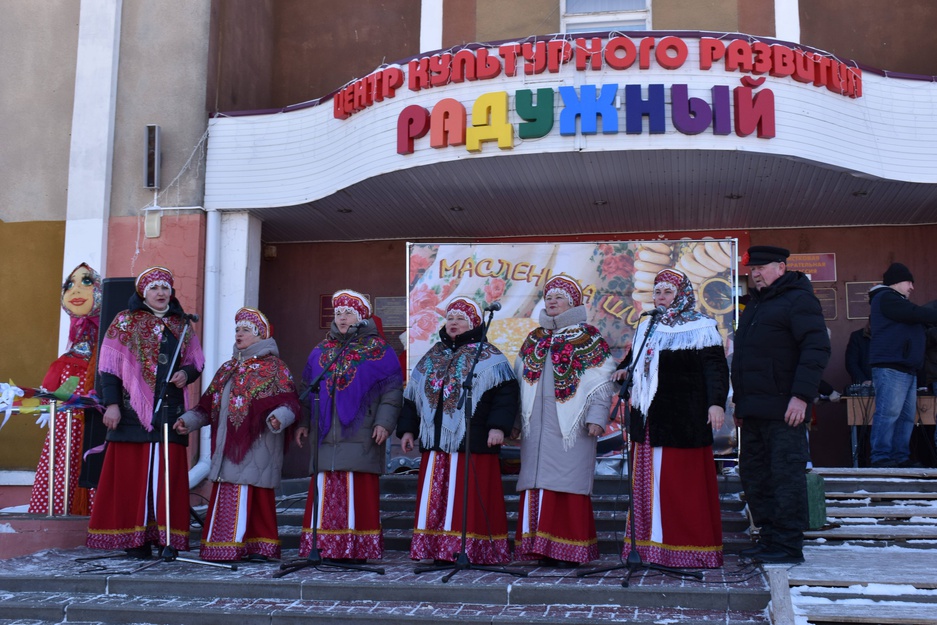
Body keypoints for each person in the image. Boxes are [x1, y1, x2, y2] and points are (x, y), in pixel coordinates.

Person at [86, 266, 204, 558]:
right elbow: (109, 368)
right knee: (132, 477)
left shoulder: (181, 324)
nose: (161, 293)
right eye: (154, 288)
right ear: (143, 292)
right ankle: (134, 540)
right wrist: (112, 404)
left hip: (169, 411)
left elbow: (195, 362)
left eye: (165, 288)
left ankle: (165, 539)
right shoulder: (125, 321)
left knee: (166, 477)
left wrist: (186, 374)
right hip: (130, 413)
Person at [614, 268, 728, 568]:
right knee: (648, 487)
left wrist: (716, 404)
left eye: (667, 292)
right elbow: (635, 360)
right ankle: (649, 550)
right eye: (657, 292)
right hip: (649, 421)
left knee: (680, 487)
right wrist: (623, 370)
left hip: (684, 419)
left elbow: (716, 369)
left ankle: (687, 551)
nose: (661, 297)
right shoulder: (647, 325)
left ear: (682, 295)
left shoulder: (701, 326)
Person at [397, 297, 519, 564]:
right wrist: (407, 430)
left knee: (467, 498)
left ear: (474, 323)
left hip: (472, 442)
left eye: (460, 319)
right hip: (436, 445)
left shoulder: (490, 356)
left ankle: (471, 550)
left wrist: (497, 427)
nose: (453, 323)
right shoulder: (433, 355)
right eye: (450, 318)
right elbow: (412, 398)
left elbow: (506, 397)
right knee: (436, 498)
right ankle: (437, 549)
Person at [174, 308, 300, 562]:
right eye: (237, 329)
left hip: (259, 445)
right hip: (227, 446)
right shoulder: (227, 369)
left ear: (261, 335)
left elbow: (292, 403)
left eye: (246, 330)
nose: (239, 334)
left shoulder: (275, 368)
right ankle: (226, 548)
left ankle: (258, 548)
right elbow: (207, 405)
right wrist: (187, 421)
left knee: (256, 496)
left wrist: (279, 417)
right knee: (231, 492)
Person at [732, 246, 830, 565]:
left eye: (761, 268)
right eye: (752, 269)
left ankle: (788, 544)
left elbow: (816, 348)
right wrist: (740, 404)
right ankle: (769, 538)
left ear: (781, 267)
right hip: (754, 411)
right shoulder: (755, 304)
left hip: (786, 409)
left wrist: (801, 396)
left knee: (785, 477)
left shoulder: (799, 299)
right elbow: (745, 358)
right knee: (755, 476)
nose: (755, 274)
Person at [513, 273, 617, 567]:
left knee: (566, 486)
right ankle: (540, 549)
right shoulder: (534, 339)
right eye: (548, 297)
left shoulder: (588, 337)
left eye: (559, 297)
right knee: (537, 484)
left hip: (572, 427)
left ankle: (568, 549)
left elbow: (601, 381)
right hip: (535, 429)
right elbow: (518, 382)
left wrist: (597, 417)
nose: (552, 301)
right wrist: (516, 423)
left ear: (573, 303)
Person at [295, 289, 403, 562]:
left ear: (362, 317)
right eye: (338, 313)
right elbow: (307, 389)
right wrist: (303, 422)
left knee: (356, 491)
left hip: (362, 432)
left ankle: (356, 549)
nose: (342, 318)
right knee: (326, 491)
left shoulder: (379, 350)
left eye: (349, 313)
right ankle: (324, 548)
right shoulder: (321, 351)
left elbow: (392, 392)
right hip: (325, 435)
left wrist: (384, 423)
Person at [28, 263, 103, 516]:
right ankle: (58, 508)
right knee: (63, 454)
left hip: (96, 421)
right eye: (69, 285)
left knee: (92, 455)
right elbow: (64, 384)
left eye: (87, 282)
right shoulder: (70, 356)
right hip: (67, 421)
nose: (76, 290)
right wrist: (50, 398)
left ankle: (95, 512)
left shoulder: (107, 350)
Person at [867, 263, 937, 468]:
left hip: (906, 368)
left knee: (906, 417)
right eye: (909, 282)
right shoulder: (886, 297)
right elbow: (916, 313)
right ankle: (881, 457)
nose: (912, 287)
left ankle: (900, 456)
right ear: (896, 282)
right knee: (888, 414)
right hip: (892, 367)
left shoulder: (895, 301)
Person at [845, 321, 872, 387]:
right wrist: (863, 380)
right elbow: (851, 363)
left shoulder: (888, 336)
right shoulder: (857, 336)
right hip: (864, 385)